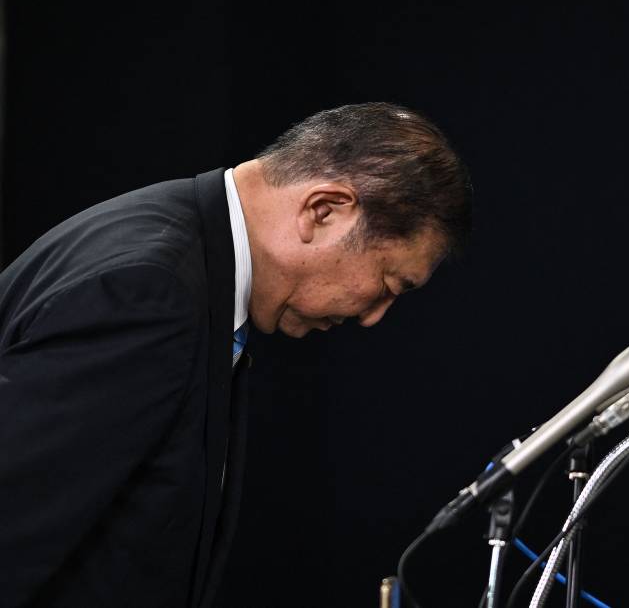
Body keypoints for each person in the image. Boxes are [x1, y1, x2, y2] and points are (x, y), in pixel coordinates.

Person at [0, 102, 472, 607]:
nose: (375, 315)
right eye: (388, 283)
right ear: (324, 210)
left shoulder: (177, 251)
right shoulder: (151, 290)